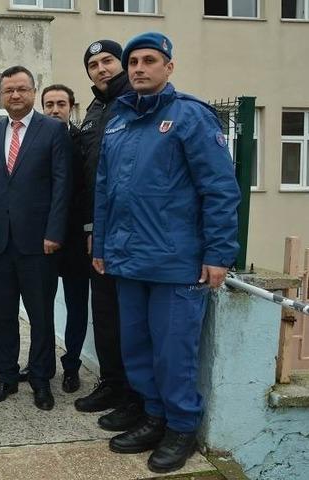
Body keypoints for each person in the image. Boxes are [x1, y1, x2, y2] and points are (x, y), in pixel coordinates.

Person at [92, 32, 240, 473]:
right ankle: (153, 415)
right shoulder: (118, 120)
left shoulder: (191, 117)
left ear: (169, 67)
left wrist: (218, 253)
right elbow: (104, 191)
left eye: (149, 61)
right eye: (133, 61)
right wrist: (100, 245)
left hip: (177, 262)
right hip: (127, 258)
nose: (138, 68)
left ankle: (180, 427)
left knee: (173, 351)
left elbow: (220, 190)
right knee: (135, 345)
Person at [0, 65, 72, 411]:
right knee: (0, 314)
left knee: (40, 315)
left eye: (21, 89)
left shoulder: (53, 130)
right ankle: (6, 375)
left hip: (39, 242)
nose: (14, 95)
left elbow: (63, 184)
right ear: (1, 95)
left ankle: (41, 379)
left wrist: (55, 232)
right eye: (8, 91)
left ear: (33, 91)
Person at [76, 39, 144, 433]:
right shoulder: (95, 109)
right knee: (103, 314)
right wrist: (89, 228)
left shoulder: (136, 102)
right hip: (99, 231)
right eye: (93, 64)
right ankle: (113, 384)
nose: (101, 69)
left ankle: (136, 397)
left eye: (108, 61)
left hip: (132, 232)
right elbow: (90, 178)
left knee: (130, 319)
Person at [37, 84, 88, 394]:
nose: (54, 110)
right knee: (41, 306)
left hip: (76, 241)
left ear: (71, 107)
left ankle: (71, 366)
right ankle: (43, 362)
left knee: (76, 306)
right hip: (42, 239)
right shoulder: (36, 140)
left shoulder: (83, 141)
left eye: (60, 104)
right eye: (49, 104)